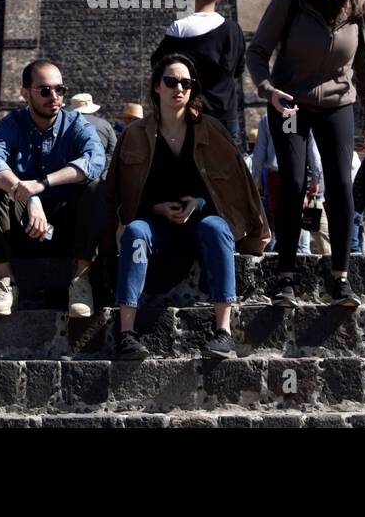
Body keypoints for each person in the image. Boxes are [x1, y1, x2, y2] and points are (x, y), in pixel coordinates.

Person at [246, 0, 365, 308]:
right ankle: (285, 276)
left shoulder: (360, 2)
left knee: (340, 182)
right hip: (290, 105)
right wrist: (268, 89)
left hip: (338, 104)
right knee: (291, 178)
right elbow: (257, 53)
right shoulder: (290, 0)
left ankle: (341, 277)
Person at [108, 54, 270, 360]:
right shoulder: (134, 135)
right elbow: (118, 191)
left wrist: (198, 202)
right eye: (170, 81)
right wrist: (157, 208)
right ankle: (126, 333)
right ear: (157, 86)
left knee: (217, 227)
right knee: (136, 233)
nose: (178, 88)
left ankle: (223, 332)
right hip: (155, 227)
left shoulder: (211, 131)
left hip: (200, 225)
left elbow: (235, 186)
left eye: (186, 83)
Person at [0, 60, 107, 318]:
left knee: (95, 187)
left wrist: (42, 183)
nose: (55, 97)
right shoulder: (12, 124)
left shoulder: (75, 123)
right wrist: (28, 194)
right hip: (23, 227)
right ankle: (4, 282)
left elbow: (95, 160)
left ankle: (81, 281)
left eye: (60, 89)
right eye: (45, 90)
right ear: (25, 93)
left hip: (67, 227)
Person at [151, 0, 247, 144]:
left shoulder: (179, 29)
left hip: (190, 112)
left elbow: (158, 66)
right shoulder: (233, 30)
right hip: (226, 113)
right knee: (224, 166)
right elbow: (239, 70)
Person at [250, 109, 323, 254]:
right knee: (298, 217)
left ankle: (281, 256)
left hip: (275, 176)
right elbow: (313, 151)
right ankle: (301, 253)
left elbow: (259, 152)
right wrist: (316, 178)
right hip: (298, 174)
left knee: (278, 220)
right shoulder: (305, 116)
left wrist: (256, 179)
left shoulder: (267, 118)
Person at [68, 93, 117, 166]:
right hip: (100, 170)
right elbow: (113, 149)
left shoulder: (67, 125)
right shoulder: (105, 124)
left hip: (75, 170)